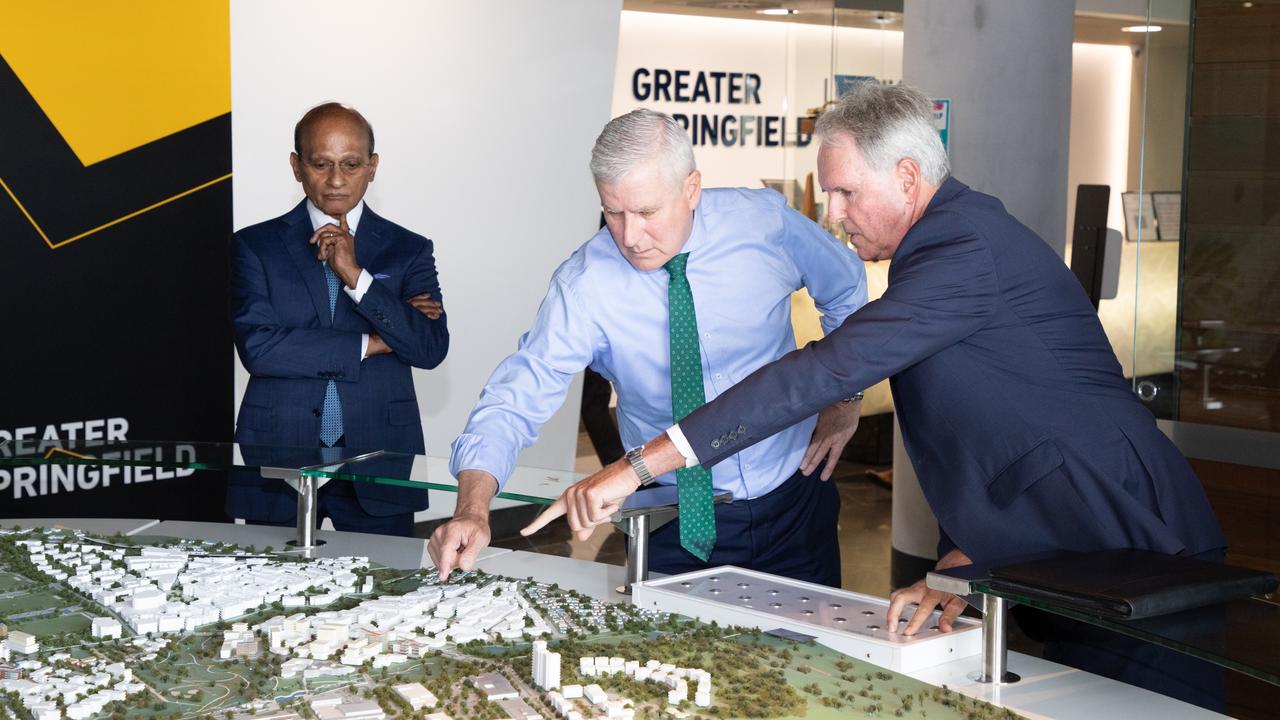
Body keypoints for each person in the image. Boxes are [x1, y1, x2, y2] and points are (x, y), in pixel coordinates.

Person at [525, 84, 1226, 709]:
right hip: (1057, 545)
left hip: (1130, 532)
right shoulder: (942, 247)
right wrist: (959, 567)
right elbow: (989, 435)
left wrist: (637, 466)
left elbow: (819, 371)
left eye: (845, 194)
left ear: (908, 177)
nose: (832, 215)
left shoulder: (964, 250)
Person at [429, 108, 868, 586]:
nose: (630, 237)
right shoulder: (585, 283)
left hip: (794, 499)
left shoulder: (763, 223)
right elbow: (514, 398)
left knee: (815, 654)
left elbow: (846, 289)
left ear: (691, 188)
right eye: (613, 212)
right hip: (671, 518)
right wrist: (472, 509)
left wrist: (846, 398)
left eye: (646, 212)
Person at [228, 102, 449, 536]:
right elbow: (260, 348)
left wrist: (357, 277)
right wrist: (376, 341)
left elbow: (428, 347)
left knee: (382, 595)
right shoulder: (255, 246)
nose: (335, 180)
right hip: (278, 454)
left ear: (372, 167)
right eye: (320, 163)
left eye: (350, 165)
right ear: (296, 166)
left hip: (379, 454)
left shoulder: (409, 249)